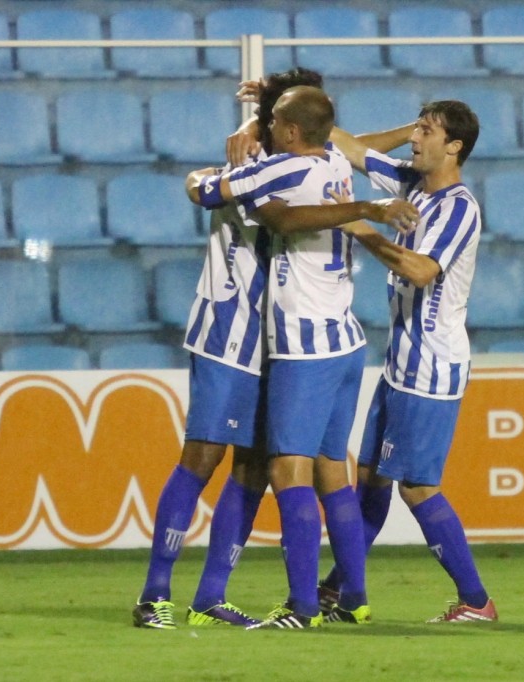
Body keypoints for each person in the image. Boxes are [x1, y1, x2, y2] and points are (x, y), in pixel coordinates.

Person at [132, 71, 417, 630]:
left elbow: (343, 142)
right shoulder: (251, 165)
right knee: (203, 457)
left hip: (284, 342)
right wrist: (209, 174)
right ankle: (154, 594)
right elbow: (202, 190)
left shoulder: (315, 156)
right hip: (230, 331)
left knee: (257, 467)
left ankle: (210, 597)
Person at [319, 100, 499, 623]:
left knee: (418, 486)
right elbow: (343, 145)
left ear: (455, 147)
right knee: (371, 479)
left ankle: (476, 601)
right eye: (417, 129)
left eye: (429, 132)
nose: (417, 139)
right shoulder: (409, 182)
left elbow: (422, 270)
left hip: (432, 365)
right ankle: (339, 588)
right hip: (402, 361)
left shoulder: (459, 206)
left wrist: (360, 226)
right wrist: (276, 106)